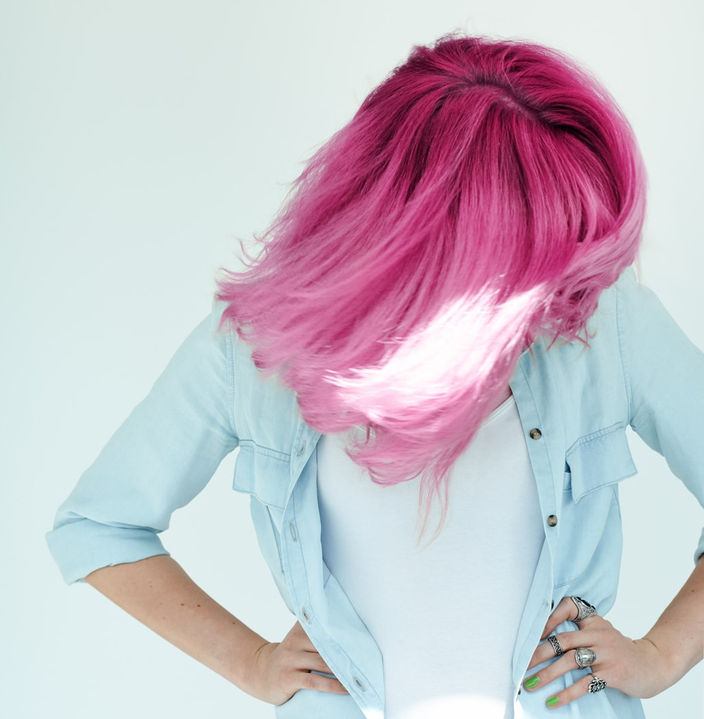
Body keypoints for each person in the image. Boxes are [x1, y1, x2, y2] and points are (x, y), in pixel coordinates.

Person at [44, 32, 704, 719]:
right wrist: (248, 661)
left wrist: (662, 655)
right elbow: (97, 524)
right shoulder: (255, 349)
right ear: (422, 235)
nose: (557, 283)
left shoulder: (605, 319)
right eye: (529, 252)